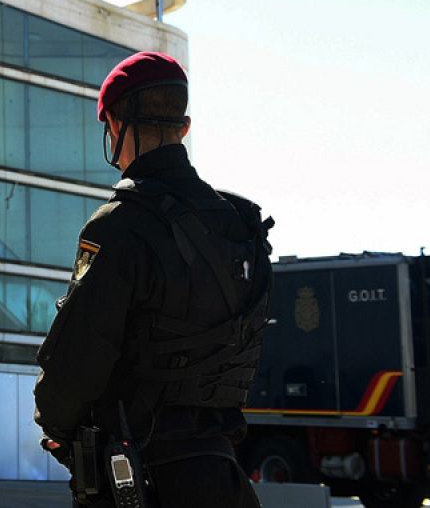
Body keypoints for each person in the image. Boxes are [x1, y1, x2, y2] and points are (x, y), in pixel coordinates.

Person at [34, 51, 273, 507]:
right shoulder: (242, 227)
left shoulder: (118, 225)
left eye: (108, 129)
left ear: (117, 126)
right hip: (224, 478)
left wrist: (57, 428)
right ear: (183, 128)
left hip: (141, 480)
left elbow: (78, 356)